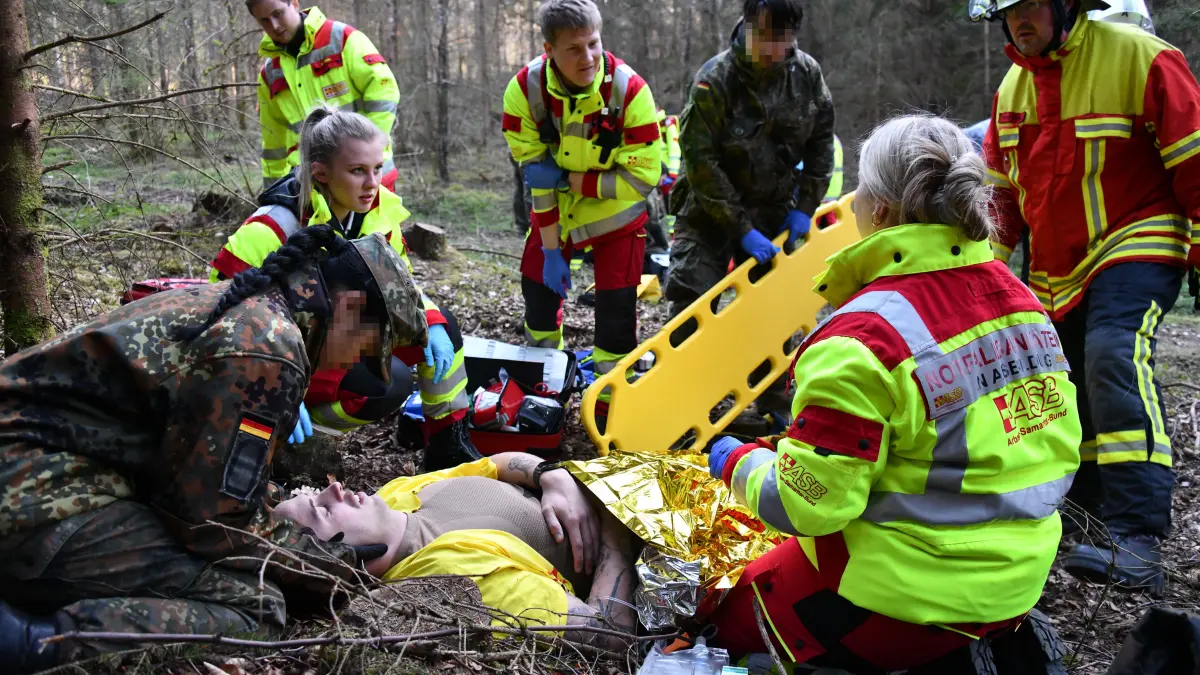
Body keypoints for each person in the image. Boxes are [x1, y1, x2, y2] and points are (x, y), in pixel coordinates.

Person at [704, 115, 1080, 673]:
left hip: (901, 604)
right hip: (1017, 584)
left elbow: (810, 505)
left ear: (878, 210)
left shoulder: (863, 338)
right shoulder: (1023, 302)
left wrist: (735, 460)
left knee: (718, 615)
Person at [0, 226, 429, 672]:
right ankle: (29, 643)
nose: (349, 366)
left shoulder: (250, 309)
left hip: (37, 470)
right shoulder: (267, 347)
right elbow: (209, 520)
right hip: (31, 496)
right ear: (352, 307)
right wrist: (320, 563)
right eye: (364, 349)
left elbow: (196, 472)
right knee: (256, 607)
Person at [977, 0, 1200, 593]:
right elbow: (1000, 201)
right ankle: (1089, 520)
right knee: (1064, 383)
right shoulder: (1012, 89)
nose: (1019, 20)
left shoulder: (1144, 61)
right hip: (1057, 269)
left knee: (1112, 353)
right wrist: (976, 281)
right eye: (1009, 11)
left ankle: (1138, 537)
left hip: (1138, 236)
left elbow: (1197, 166)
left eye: (1030, 6)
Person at [212, 108, 480, 470]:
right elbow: (217, 320)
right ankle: (284, 442)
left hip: (338, 340)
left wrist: (430, 321)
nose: (373, 184)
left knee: (441, 325)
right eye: (357, 171)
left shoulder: (380, 216)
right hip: (278, 363)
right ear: (321, 173)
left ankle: (447, 445)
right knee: (382, 383)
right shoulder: (269, 229)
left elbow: (402, 288)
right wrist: (272, 395)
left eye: (378, 168)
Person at [272, 452, 638, 647]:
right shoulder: (457, 575)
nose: (334, 490)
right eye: (322, 510)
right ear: (345, 562)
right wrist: (617, 531)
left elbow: (492, 465)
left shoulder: (395, 495)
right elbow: (610, 634)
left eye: (314, 495)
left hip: (617, 480)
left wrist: (551, 475)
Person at [664, 0, 834, 419]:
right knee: (692, 300)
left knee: (772, 310)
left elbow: (822, 142)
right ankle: (680, 402)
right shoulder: (714, 80)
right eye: (766, 35)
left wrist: (805, 206)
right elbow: (700, 161)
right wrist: (739, 228)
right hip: (707, 210)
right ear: (748, 24)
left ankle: (775, 402)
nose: (774, 48)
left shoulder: (806, 76)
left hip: (774, 209)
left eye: (784, 37)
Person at [501, 0, 662, 426]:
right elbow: (537, 180)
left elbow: (643, 179)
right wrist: (552, 248)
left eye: (593, 43)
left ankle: (610, 406)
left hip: (617, 217)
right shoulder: (525, 92)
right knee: (537, 290)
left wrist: (571, 180)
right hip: (558, 212)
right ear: (548, 49)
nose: (587, 58)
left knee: (616, 311)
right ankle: (542, 384)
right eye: (574, 49)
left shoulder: (630, 91)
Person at [248, 0, 399, 189]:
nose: (275, 26)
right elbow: (273, 143)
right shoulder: (269, 74)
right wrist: (273, 192)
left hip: (369, 179)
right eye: (265, 21)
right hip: (312, 186)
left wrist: (367, 151)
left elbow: (384, 92)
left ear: (294, 3)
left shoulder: (341, 39)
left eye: (278, 14)